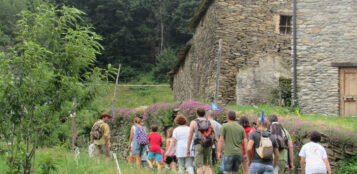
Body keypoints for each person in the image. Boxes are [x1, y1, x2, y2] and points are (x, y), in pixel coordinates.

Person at [187, 108, 217, 174]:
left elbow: (190, 137)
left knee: (199, 166)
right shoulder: (210, 122)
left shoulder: (193, 122)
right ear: (205, 114)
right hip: (208, 145)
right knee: (207, 165)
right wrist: (217, 149)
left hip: (198, 145)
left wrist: (188, 149)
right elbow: (215, 137)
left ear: (197, 114)